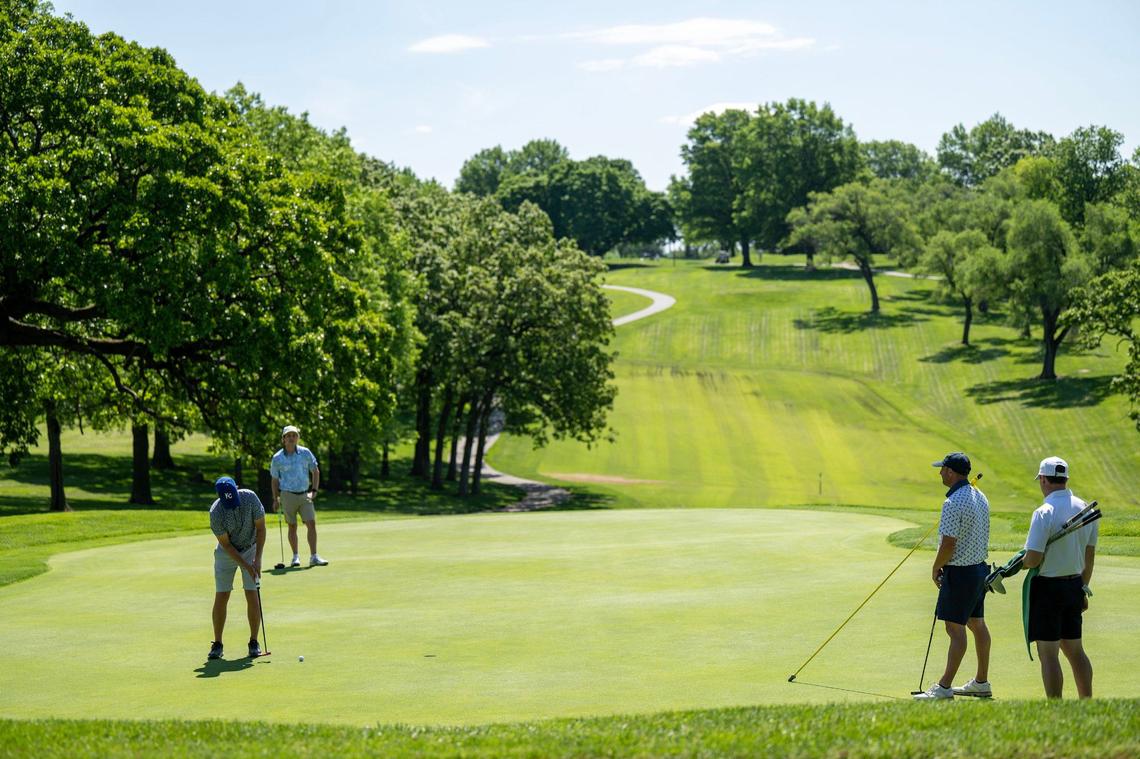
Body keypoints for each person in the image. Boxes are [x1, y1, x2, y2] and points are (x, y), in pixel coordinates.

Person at [914, 452, 993, 700]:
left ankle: (944, 687)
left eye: (942, 469)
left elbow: (948, 544)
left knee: (955, 629)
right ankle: (981, 682)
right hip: (979, 571)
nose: (939, 473)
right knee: (977, 624)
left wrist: (936, 566)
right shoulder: (980, 496)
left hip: (960, 574)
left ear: (951, 472)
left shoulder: (952, 503)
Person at [1022, 456, 1097, 699]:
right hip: (1075, 585)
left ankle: (1056, 710)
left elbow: (1032, 559)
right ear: (1065, 479)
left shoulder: (1044, 512)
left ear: (1043, 479)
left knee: (1049, 654)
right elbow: (1089, 555)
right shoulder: (1085, 508)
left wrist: (1021, 563)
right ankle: (1087, 703)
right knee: (1076, 651)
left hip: (1048, 589)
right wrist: (1083, 588)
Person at [208, 476, 266, 660]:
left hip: (251, 547)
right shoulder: (216, 513)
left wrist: (257, 559)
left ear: (237, 488)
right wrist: (246, 566)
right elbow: (226, 545)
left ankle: (254, 642)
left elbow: (261, 529)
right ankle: (217, 643)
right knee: (222, 594)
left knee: (251, 593)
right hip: (227, 553)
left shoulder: (250, 498)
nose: (231, 503)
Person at [270, 424, 327, 567]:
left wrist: (314, 490)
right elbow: (275, 480)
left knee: (311, 523)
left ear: (298, 438)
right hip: (287, 495)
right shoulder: (277, 458)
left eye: (294, 435)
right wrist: (275, 499)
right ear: (283, 439)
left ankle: (314, 556)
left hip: (304, 494)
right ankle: (295, 557)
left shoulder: (305, 453)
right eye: (288, 436)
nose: (291, 438)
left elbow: (315, 471)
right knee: (292, 526)